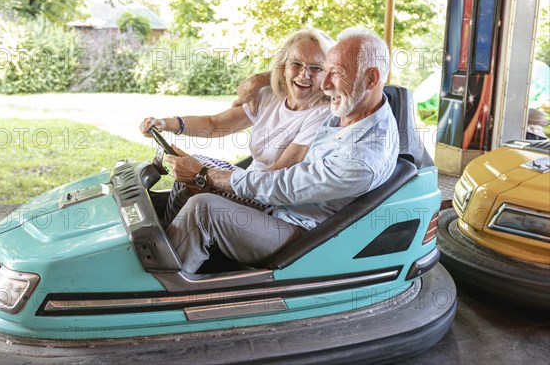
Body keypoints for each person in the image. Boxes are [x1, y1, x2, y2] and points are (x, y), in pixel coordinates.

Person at [164, 27, 399, 274]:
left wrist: (205, 174)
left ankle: (160, 296)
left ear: (371, 79)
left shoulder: (361, 158)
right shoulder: (353, 103)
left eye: (335, 73)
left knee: (204, 209)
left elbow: (280, 186)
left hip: (300, 235)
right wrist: (260, 79)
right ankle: (167, 251)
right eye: (326, 71)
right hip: (278, 208)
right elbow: (302, 76)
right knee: (185, 185)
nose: (326, 85)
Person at [139, 28, 334, 219]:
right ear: (284, 65)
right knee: (186, 173)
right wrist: (166, 123)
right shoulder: (270, 96)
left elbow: (275, 176)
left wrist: (204, 175)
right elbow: (214, 124)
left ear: (327, 74)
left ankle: (167, 241)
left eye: (316, 68)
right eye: (296, 64)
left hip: (268, 198)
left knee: (191, 175)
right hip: (246, 180)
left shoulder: (322, 114)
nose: (304, 74)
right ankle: (168, 233)